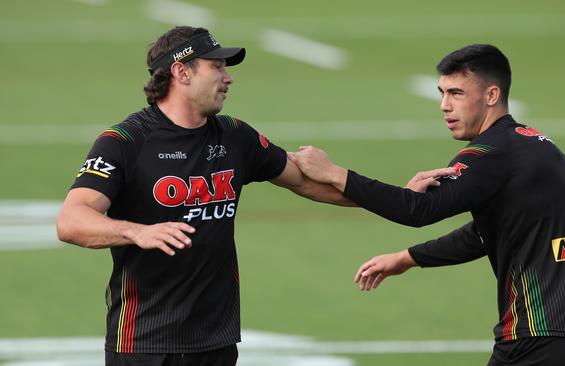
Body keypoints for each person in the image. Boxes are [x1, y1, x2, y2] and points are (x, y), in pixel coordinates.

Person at [55, 26, 366, 366]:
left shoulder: (235, 136)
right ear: (181, 71)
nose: (228, 78)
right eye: (216, 67)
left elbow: (308, 183)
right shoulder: (124, 142)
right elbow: (71, 221)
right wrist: (137, 231)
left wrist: (397, 199)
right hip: (143, 343)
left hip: (216, 342)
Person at [288, 44, 565, 365]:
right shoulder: (538, 146)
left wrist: (334, 173)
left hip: (538, 337)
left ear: (491, 95)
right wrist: (407, 258)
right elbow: (484, 234)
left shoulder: (489, 152)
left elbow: (419, 209)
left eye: (456, 93)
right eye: (441, 93)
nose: (444, 105)